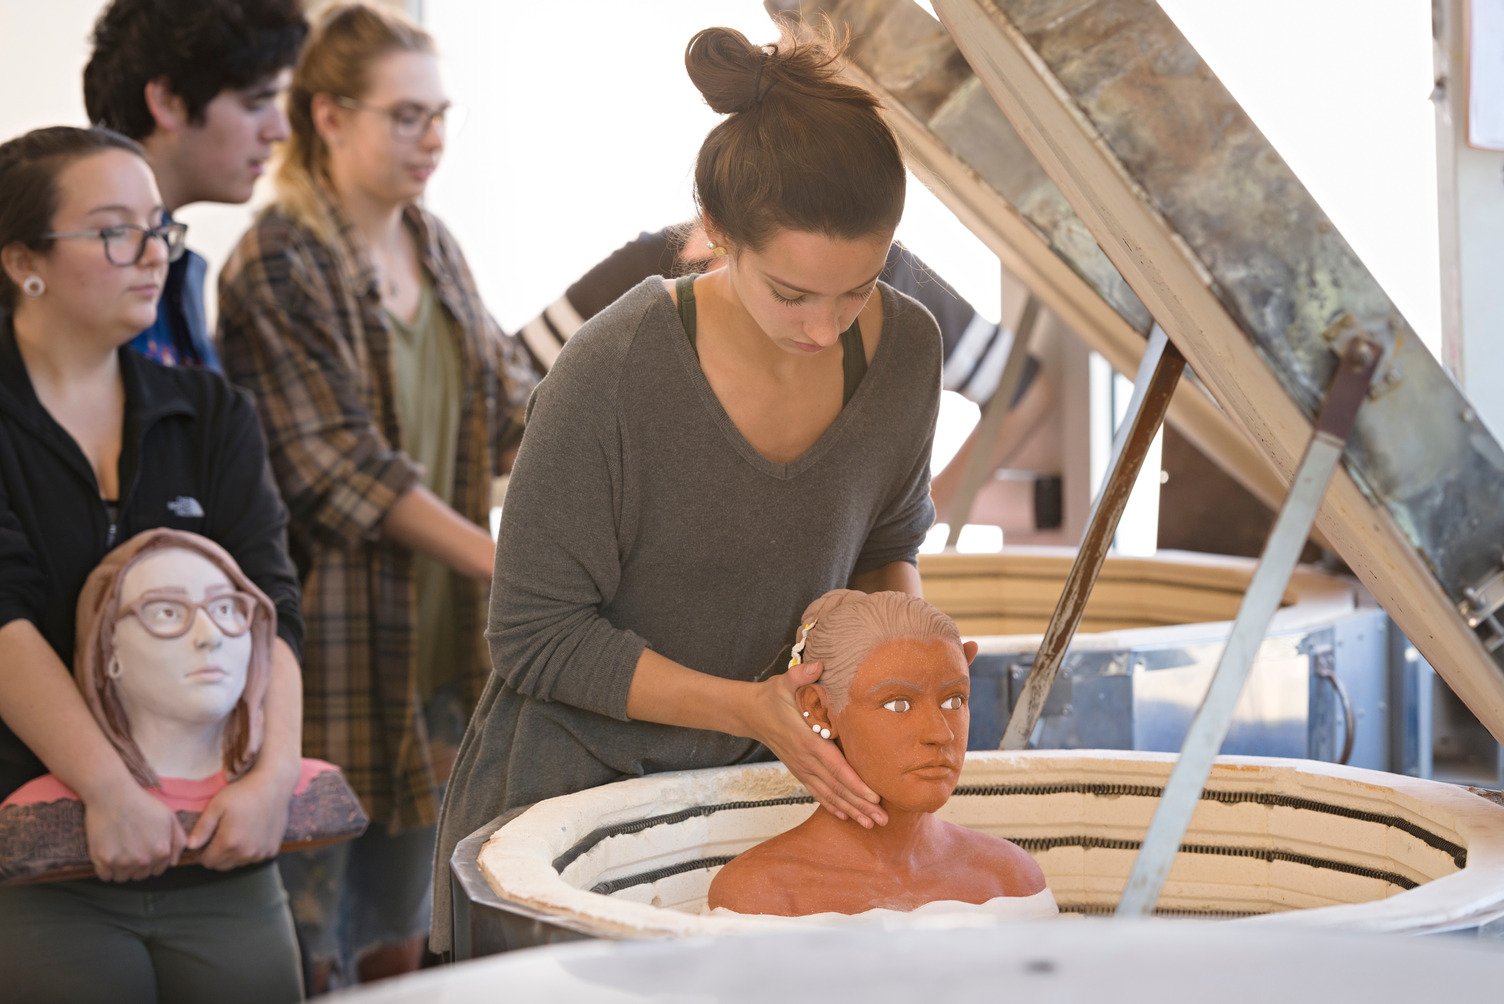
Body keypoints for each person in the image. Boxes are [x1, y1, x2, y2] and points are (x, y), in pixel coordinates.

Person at [433, 24, 942, 953]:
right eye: (792, 293)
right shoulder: (615, 367)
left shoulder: (906, 350)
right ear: (718, 236)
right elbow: (534, 636)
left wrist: (900, 677)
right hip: (562, 818)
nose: (825, 328)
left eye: (857, 288)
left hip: (763, 801)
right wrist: (749, 706)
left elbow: (885, 547)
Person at [215, 2, 533, 989]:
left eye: (440, 115)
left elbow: (513, 403)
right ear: (328, 116)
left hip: (441, 656)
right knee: (311, 943)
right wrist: (509, 564)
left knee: (406, 932)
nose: (431, 139)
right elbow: (337, 466)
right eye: (406, 116)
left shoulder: (432, 246)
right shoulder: (278, 262)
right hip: (336, 664)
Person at [0, 125, 305, 1003]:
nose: (153, 254)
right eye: (111, 230)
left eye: (158, 228)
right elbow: (4, 616)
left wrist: (272, 780)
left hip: (222, 840)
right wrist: (105, 787)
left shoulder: (211, 413)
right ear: (24, 260)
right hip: (43, 854)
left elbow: (269, 603)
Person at [0, 528, 366, 887]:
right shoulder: (39, 813)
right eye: (167, 613)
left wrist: (275, 778)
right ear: (108, 652)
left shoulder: (315, 788)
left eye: (224, 607)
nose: (210, 635)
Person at [708, 589, 1052, 918]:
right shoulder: (762, 896)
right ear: (819, 710)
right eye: (898, 704)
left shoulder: (1011, 881)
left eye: (954, 700)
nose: (940, 733)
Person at [82, 0, 308, 369]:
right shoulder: (85, 275)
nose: (279, 131)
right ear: (167, 101)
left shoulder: (175, 270)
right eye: (256, 103)